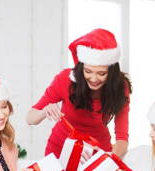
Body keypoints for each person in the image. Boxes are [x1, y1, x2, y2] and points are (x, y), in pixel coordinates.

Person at [26, 28, 132, 158]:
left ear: (112, 72)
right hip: (60, 150)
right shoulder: (65, 79)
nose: (93, 79)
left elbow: (122, 137)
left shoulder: (121, 87)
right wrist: (44, 111)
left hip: (97, 153)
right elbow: (30, 118)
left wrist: (109, 158)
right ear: (81, 67)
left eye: (101, 73)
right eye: (88, 71)